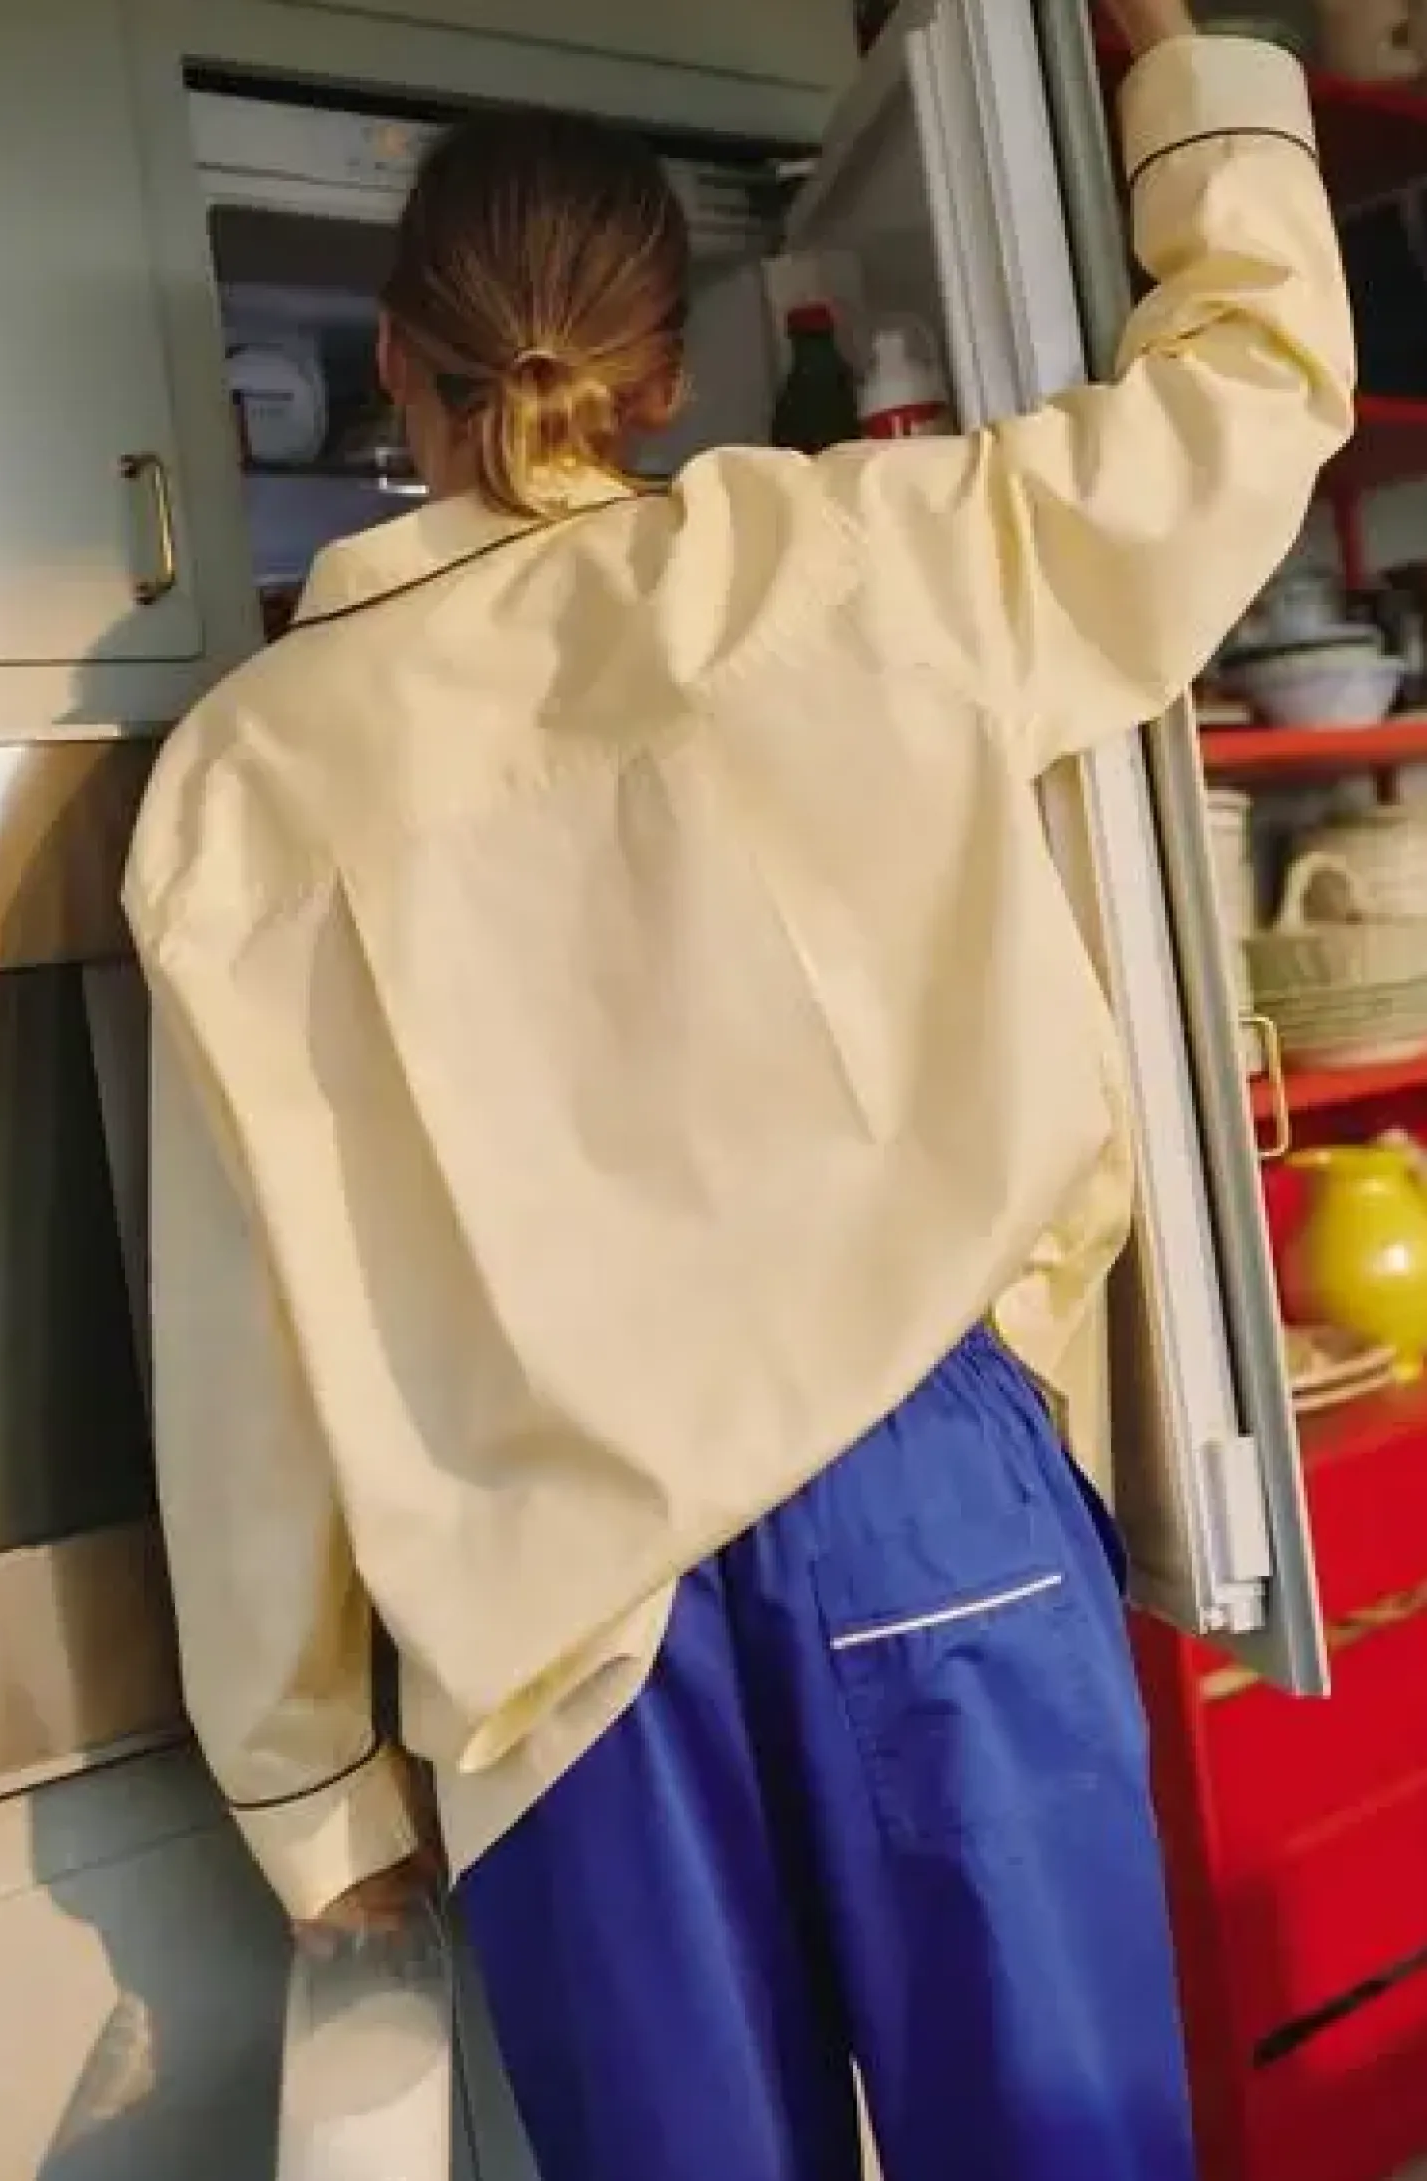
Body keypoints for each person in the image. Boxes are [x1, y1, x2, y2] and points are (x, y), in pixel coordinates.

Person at [125, 0, 1352, 2174]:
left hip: (549, 1605)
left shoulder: (239, 780)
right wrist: (1180, 63)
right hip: (925, 1484)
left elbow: (249, 1344)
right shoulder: (860, 554)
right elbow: (1247, 391)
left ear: (397, 363)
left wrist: (312, 1791)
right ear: (662, 373)